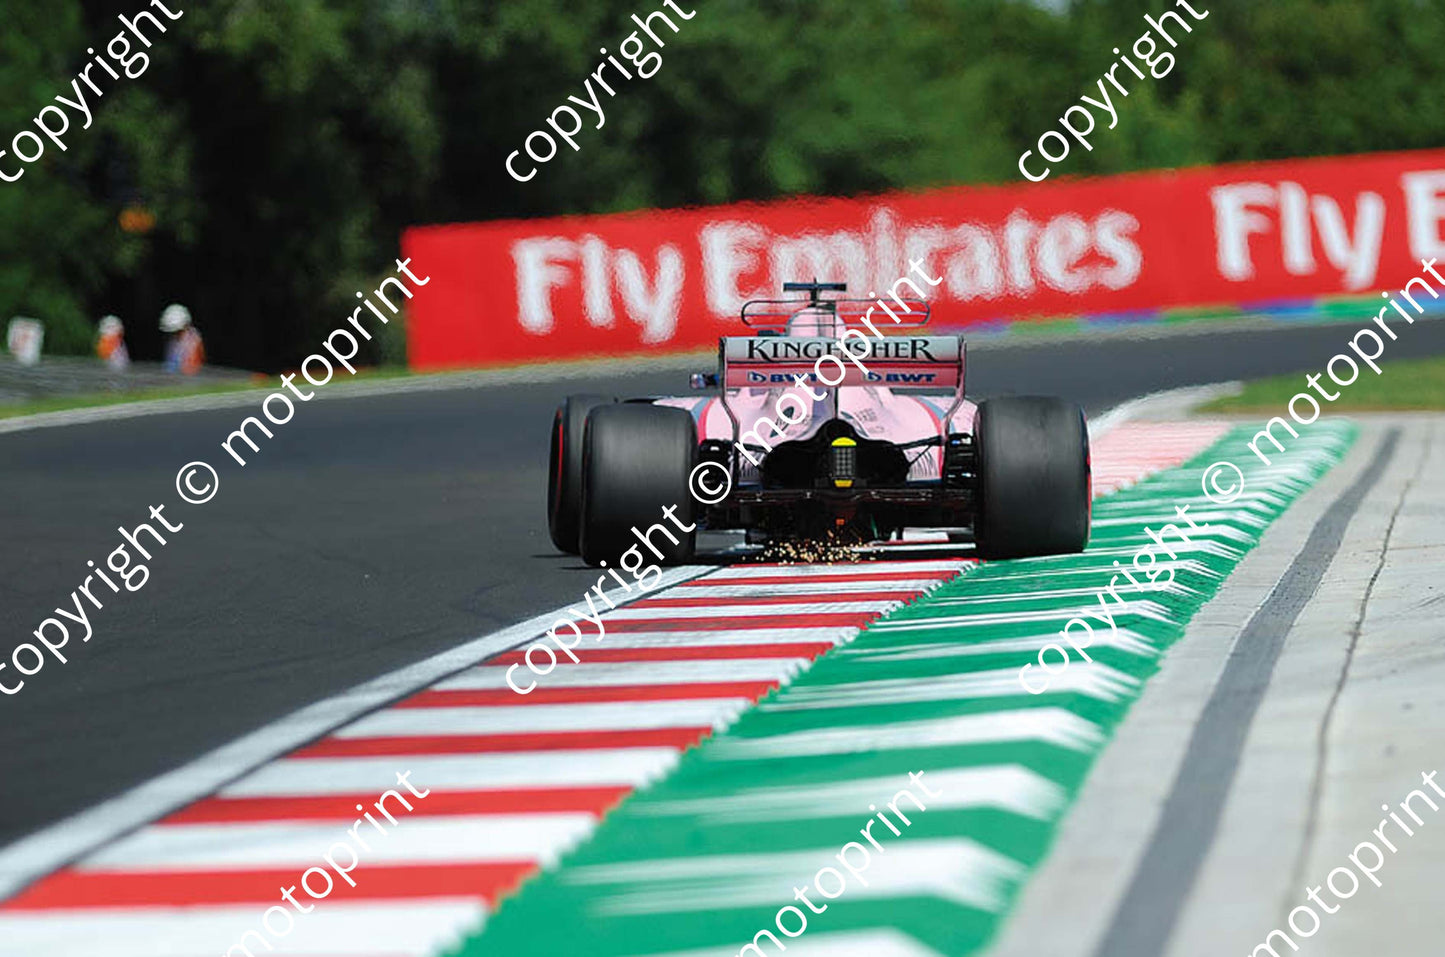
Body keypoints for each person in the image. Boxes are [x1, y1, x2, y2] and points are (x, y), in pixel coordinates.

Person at [160, 303, 204, 375]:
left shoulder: (192, 340)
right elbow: (169, 366)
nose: (173, 333)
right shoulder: (173, 340)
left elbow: (193, 368)